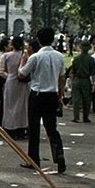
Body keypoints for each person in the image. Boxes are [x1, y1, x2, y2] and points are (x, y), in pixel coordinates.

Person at [17, 27, 66, 174]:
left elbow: (21, 74)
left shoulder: (35, 57)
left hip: (37, 94)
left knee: (34, 128)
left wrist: (22, 62)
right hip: (52, 94)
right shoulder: (59, 56)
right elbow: (62, 78)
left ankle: (33, 159)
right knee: (52, 128)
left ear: (38, 40)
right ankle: (59, 154)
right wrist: (60, 96)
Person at [0, 36, 28, 140]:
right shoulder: (25, 56)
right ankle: (21, 128)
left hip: (10, 82)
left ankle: (9, 127)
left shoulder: (6, 56)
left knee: (9, 106)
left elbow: (1, 71)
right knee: (21, 106)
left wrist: (9, 76)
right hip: (22, 83)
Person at [68, 40, 95, 123]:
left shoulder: (76, 59)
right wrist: (93, 84)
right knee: (86, 99)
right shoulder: (91, 59)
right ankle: (85, 117)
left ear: (80, 48)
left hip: (77, 80)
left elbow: (72, 72)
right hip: (86, 80)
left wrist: (72, 82)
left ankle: (76, 117)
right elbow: (93, 73)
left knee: (76, 99)